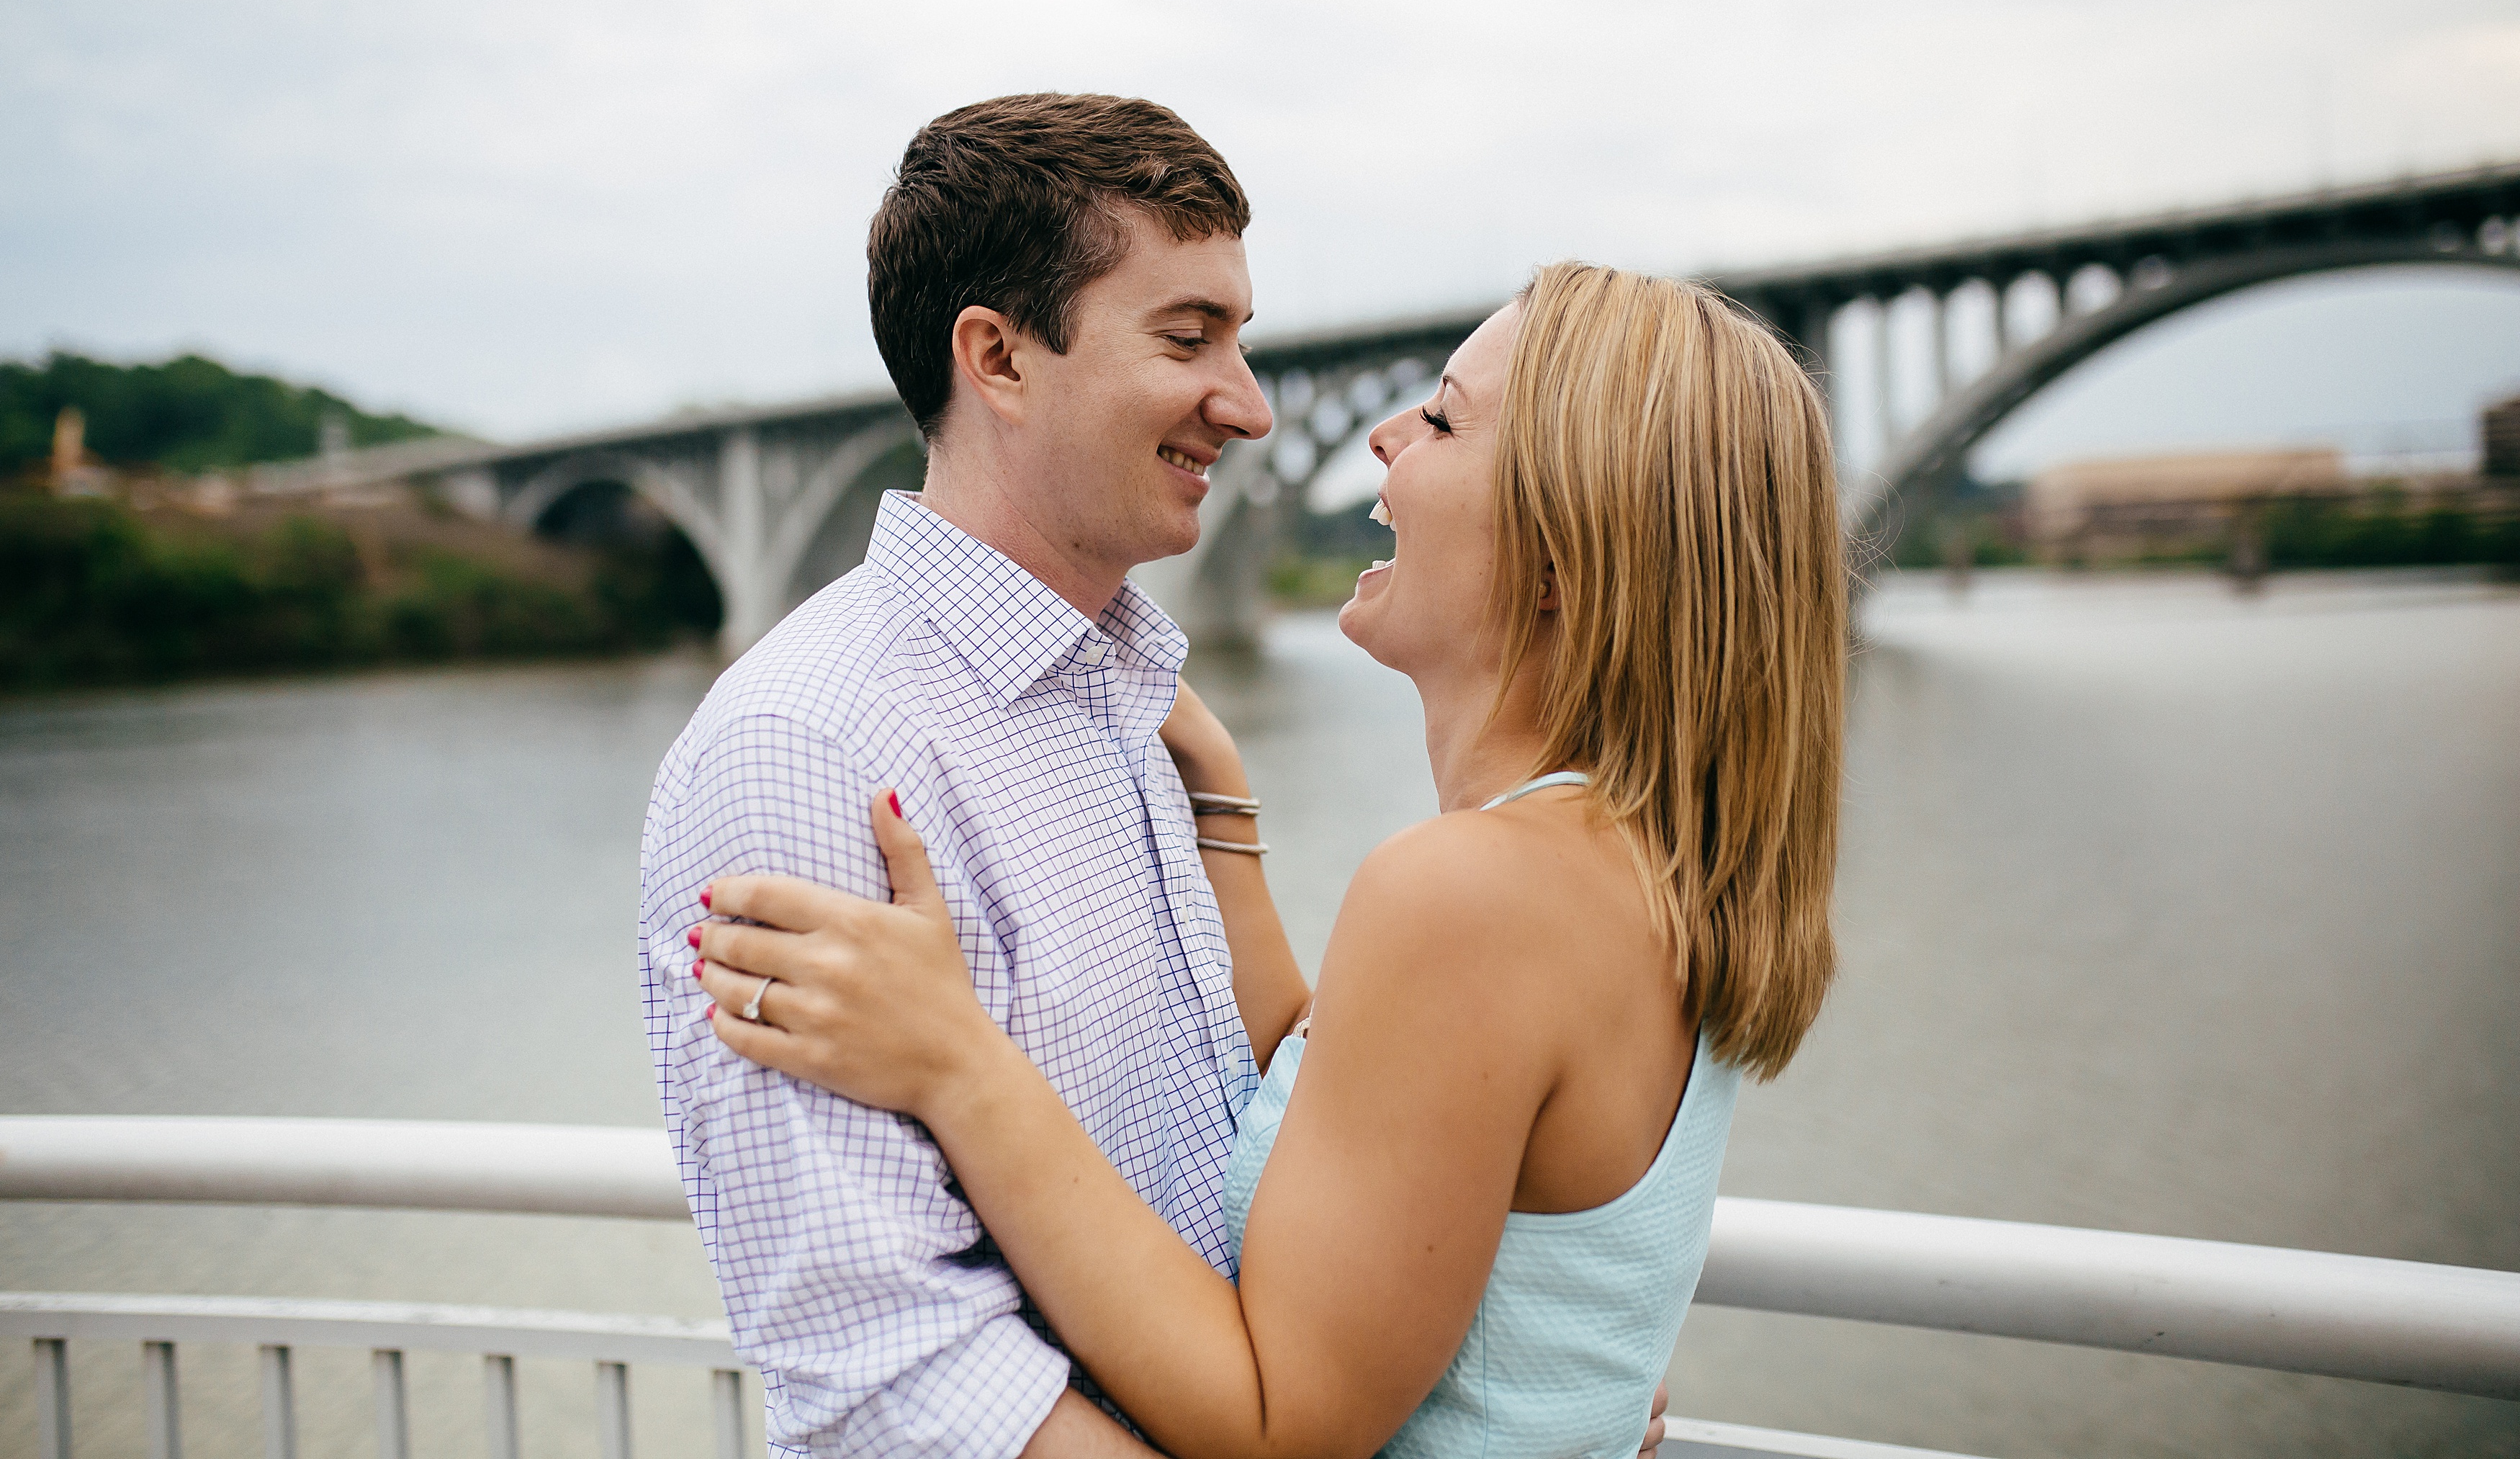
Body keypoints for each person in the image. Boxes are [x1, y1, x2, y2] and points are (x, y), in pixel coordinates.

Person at [692, 263, 1850, 1458]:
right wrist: (1226, 820)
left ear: (1568, 558)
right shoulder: (1642, 864)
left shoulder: (1471, 894)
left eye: (1444, 418)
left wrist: (956, 1063)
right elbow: (1381, 1115)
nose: (1386, 437)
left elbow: (1280, 1427)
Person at [638, 92, 1282, 1457]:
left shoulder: (1129, 699)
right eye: (1189, 338)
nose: (1252, 405)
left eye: (1243, 339)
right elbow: (894, 1372)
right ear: (996, 355)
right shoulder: (806, 751)